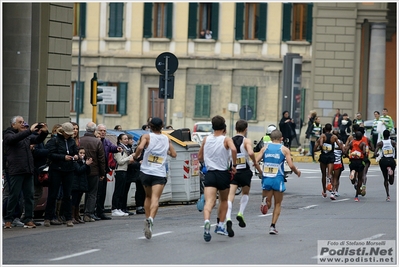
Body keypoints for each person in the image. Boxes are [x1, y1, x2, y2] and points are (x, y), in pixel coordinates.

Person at [133, 117, 177, 239]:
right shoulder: (166, 139)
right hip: (159, 172)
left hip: (146, 171)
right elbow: (174, 154)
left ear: (150, 126)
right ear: (162, 126)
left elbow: (141, 147)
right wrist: (164, 152)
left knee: (147, 196)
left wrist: (136, 156)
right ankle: (151, 219)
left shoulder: (147, 137)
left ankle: (147, 219)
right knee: (155, 199)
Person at [3, 117, 49, 229]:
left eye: (23, 122)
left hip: (28, 170)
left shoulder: (26, 136)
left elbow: (37, 140)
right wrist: (29, 130)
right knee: (14, 195)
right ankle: (8, 219)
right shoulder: (8, 135)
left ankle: (28, 218)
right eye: (20, 122)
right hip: (16, 170)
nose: (23, 124)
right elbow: (14, 139)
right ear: (13, 125)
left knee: (29, 195)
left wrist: (44, 132)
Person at [198, 115, 237, 242]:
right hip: (223, 174)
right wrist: (234, 165)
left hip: (210, 173)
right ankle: (220, 225)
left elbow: (200, 156)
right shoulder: (226, 139)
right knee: (224, 200)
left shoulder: (206, 139)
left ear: (212, 126)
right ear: (224, 127)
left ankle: (207, 221)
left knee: (209, 202)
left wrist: (206, 161)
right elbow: (234, 149)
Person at [255, 129, 301, 235]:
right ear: (281, 139)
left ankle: (265, 201)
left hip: (266, 178)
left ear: (270, 139)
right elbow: (290, 165)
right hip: (278, 178)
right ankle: (272, 226)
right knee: (278, 204)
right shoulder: (284, 149)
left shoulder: (264, 148)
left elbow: (255, 162)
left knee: (269, 203)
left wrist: (261, 172)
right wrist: (297, 172)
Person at [225, 120, 262, 237]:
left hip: (233, 170)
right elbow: (250, 152)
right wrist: (254, 161)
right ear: (246, 129)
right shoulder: (246, 141)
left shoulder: (229, 140)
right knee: (245, 193)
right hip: (245, 171)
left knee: (230, 195)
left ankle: (228, 218)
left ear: (235, 128)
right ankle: (240, 213)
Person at [43, 122, 78, 227]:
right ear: (62, 132)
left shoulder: (72, 141)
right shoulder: (54, 140)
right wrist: (63, 157)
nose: (69, 135)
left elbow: (75, 151)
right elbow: (49, 153)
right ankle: (48, 217)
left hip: (69, 169)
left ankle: (68, 218)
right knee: (53, 194)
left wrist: (75, 156)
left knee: (67, 195)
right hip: (56, 169)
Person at [79, 122, 106, 222]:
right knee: (92, 193)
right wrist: (102, 173)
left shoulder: (80, 140)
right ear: (95, 131)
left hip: (81, 170)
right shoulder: (97, 142)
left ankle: (75, 214)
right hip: (94, 171)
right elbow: (101, 159)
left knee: (79, 192)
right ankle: (88, 214)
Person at [95, 124, 122, 220]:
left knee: (102, 192)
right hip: (95, 171)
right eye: (101, 130)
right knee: (96, 192)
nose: (103, 132)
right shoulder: (95, 141)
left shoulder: (106, 141)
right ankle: (93, 211)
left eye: (104, 131)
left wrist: (117, 149)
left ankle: (100, 211)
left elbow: (111, 147)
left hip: (104, 170)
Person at [314, 123, 343, 198]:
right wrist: (338, 149)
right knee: (330, 174)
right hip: (331, 156)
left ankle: (324, 191)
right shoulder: (334, 137)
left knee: (323, 174)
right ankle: (333, 192)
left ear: (325, 129)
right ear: (331, 129)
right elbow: (340, 146)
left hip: (323, 156)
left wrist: (321, 147)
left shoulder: (323, 136)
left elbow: (319, 145)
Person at [112, 133, 134, 216]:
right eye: (124, 139)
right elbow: (120, 161)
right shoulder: (120, 149)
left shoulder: (126, 149)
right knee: (118, 190)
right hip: (119, 171)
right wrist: (130, 157)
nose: (126, 140)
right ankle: (115, 208)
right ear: (120, 140)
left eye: (127, 139)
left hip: (125, 170)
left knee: (122, 191)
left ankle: (120, 208)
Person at [71, 147, 93, 224]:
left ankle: (77, 216)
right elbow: (79, 170)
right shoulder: (75, 162)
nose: (82, 155)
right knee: (74, 200)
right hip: (75, 184)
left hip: (81, 184)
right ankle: (72, 216)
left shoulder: (83, 162)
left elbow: (88, 172)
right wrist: (86, 165)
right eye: (80, 153)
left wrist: (87, 165)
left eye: (83, 153)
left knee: (78, 201)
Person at [345, 131, 367, 202]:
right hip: (360, 161)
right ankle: (356, 196)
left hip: (352, 161)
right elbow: (364, 152)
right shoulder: (363, 143)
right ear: (361, 137)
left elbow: (345, 151)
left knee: (353, 173)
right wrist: (364, 155)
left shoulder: (351, 142)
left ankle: (353, 174)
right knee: (360, 178)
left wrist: (348, 156)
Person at [375, 130, 396, 201]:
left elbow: (375, 153)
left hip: (383, 161)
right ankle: (391, 171)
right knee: (391, 182)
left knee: (385, 178)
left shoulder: (380, 143)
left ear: (383, 135)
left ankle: (388, 195)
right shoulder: (392, 142)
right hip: (391, 160)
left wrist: (376, 155)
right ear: (389, 135)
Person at [132, 135, 146, 215]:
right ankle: (139, 206)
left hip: (147, 171)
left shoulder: (147, 149)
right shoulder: (139, 149)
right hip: (139, 172)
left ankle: (144, 205)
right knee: (140, 190)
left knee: (145, 190)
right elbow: (134, 159)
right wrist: (139, 162)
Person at [330, 130, 344, 199]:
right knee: (336, 178)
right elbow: (343, 151)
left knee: (331, 177)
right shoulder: (341, 142)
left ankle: (332, 188)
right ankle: (335, 191)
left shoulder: (330, 142)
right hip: (338, 162)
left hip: (330, 162)